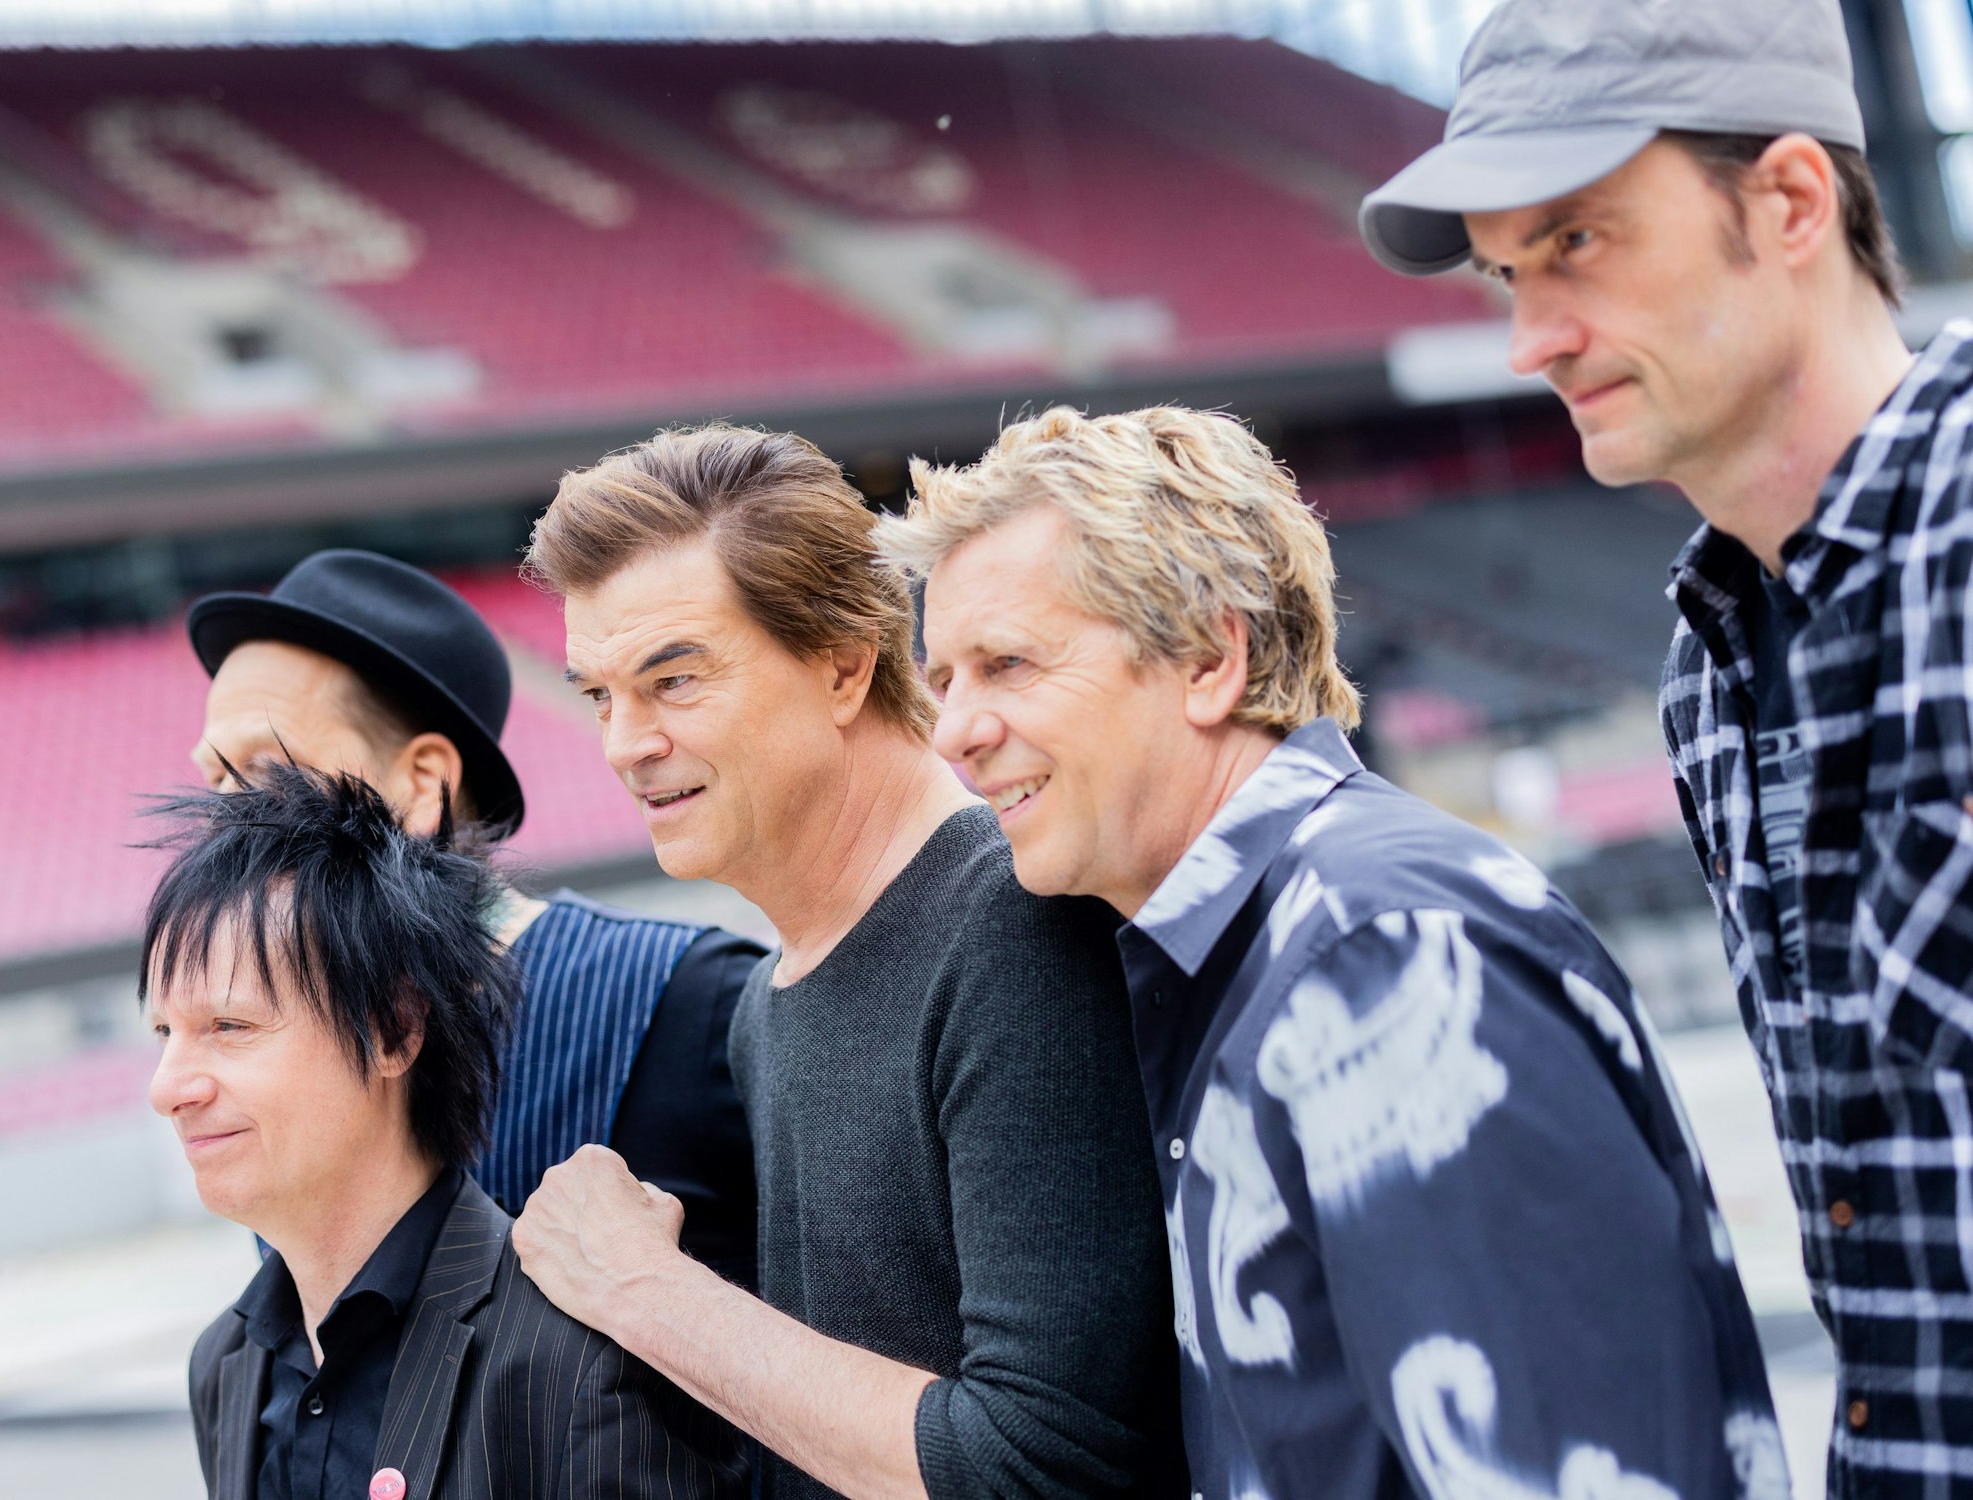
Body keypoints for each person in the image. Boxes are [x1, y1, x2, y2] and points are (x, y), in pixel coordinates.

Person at [880, 404, 1784, 1500]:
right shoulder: (1229, 951)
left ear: (1211, 658)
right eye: (944, 680)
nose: (953, 731)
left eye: (1008, 664)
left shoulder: (1379, 951)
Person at [1358, 0, 1969, 1491]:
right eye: (1508, 273)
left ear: (1789, 202)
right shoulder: (1708, 657)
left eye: (1578, 242)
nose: (1530, 338)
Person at [508, 424, 1182, 1500]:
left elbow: (1045, 1465)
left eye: (672, 681)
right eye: (599, 694)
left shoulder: (1016, 930)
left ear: (841, 666)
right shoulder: (765, 1004)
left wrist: (649, 1291)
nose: (621, 743)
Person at [143, 760, 748, 1500]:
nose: (168, 1087)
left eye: (229, 1026)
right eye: (164, 1032)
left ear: (396, 1030)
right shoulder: (226, 1365)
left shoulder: (579, 1359)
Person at [185, 549, 761, 1287]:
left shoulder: (688, 1001)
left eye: (265, 772)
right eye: (211, 782)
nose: (223, 825)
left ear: (424, 783)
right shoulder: (288, 1059)